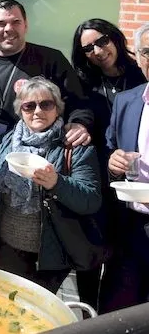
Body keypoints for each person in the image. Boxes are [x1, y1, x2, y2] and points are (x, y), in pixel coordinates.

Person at [0, 76, 100, 293]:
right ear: (20, 111)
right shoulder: (6, 141)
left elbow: (91, 200)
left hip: (50, 256)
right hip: (8, 248)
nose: (37, 111)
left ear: (58, 109)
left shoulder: (75, 146)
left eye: (46, 104)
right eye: (29, 106)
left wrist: (57, 182)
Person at [70, 18, 146, 308]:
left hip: (133, 180)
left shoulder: (141, 72)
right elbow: (78, 110)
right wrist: (79, 123)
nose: (98, 51)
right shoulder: (84, 81)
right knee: (92, 254)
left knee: (124, 262)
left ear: (114, 38)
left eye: (102, 41)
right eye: (88, 48)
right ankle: (90, 313)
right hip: (99, 174)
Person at [0, 0, 93, 148]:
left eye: (16, 22)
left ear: (25, 25)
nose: (8, 28)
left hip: (35, 152)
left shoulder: (52, 60)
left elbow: (79, 103)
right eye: (1, 23)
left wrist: (79, 123)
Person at [101, 22, 149, 312]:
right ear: (139, 58)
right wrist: (113, 163)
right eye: (148, 52)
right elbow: (111, 149)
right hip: (128, 227)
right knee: (115, 314)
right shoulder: (126, 101)